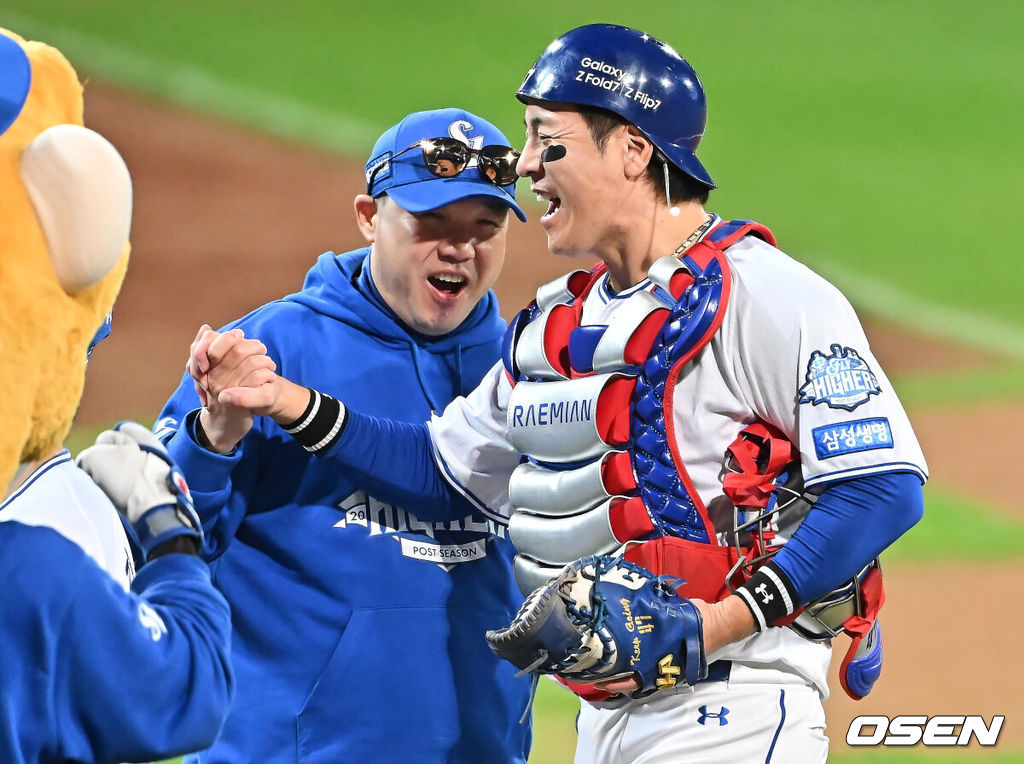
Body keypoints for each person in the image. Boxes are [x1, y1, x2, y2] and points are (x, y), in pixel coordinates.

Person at [196, 25, 927, 763]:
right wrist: (291, 402)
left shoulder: (765, 293)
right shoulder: (558, 326)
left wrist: (717, 624)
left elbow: (882, 488)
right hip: (607, 721)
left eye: (548, 140)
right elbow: (445, 470)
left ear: (633, 150)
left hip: (734, 706)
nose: (525, 165)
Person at [156, 108, 533, 762]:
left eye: (485, 228)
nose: (459, 249)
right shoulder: (271, 350)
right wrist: (212, 437)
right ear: (368, 216)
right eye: (432, 223)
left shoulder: (521, 371)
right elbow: (158, 543)